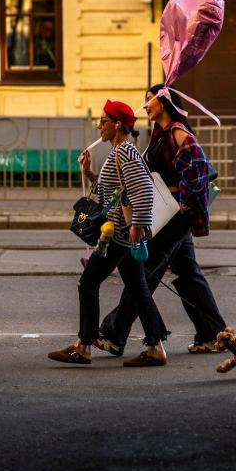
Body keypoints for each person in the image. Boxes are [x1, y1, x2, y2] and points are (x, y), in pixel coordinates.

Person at [94, 84, 228, 356]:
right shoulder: (159, 135)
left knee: (142, 275)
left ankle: (114, 333)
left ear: (163, 103)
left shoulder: (178, 132)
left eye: (149, 100)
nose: (145, 105)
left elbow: (200, 170)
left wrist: (179, 199)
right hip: (169, 216)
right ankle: (213, 334)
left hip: (173, 218)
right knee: (188, 275)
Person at [47, 99, 170, 367]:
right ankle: (155, 347)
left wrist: (137, 225)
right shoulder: (117, 152)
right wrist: (88, 172)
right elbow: (108, 194)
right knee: (138, 290)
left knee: (88, 284)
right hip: (122, 235)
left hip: (118, 236)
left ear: (117, 125)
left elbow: (144, 191)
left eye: (102, 121)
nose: (98, 127)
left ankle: (83, 346)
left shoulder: (125, 152)